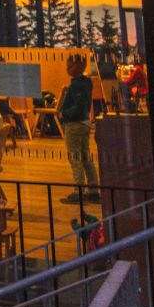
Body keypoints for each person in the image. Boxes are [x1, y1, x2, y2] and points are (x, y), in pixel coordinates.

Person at [58, 53, 101, 204]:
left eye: (70, 66)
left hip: (74, 125)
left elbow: (78, 106)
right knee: (86, 157)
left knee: (75, 158)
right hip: (84, 123)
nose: (67, 69)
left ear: (78, 67)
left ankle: (79, 192)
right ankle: (93, 190)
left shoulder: (76, 85)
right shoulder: (87, 83)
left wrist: (64, 113)